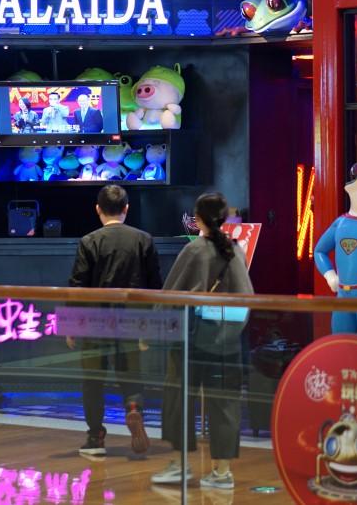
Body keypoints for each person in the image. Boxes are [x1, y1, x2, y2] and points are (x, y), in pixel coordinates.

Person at [152, 192, 253, 491]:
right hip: (227, 342)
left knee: (179, 400)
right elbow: (247, 297)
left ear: (197, 219)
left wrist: (152, 329)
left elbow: (169, 294)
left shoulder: (194, 250)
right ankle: (222, 472)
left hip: (191, 339)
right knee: (225, 405)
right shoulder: (236, 251)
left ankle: (179, 465)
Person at [68, 185, 162, 457]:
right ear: (126, 208)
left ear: (98, 209)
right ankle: (133, 408)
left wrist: (72, 324)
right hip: (132, 321)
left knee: (93, 381)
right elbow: (155, 285)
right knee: (131, 376)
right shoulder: (143, 240)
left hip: (95, 323)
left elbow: (78, 286)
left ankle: (95, 437)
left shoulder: (89, 241)